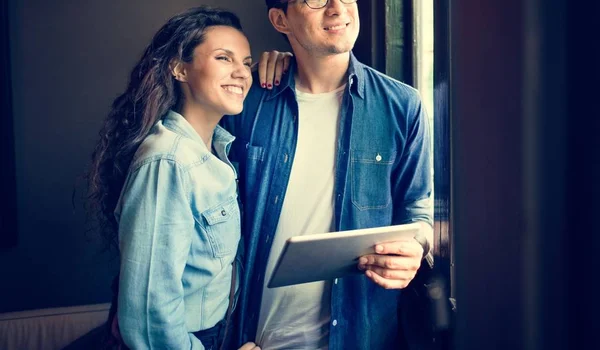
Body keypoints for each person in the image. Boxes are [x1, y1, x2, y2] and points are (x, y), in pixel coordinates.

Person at [221, 0, 434, 349]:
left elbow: (418, 209)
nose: (337, 8)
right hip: (254, 338)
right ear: (280, 19)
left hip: (362, 336)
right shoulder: (246, 101)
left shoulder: (402, 106)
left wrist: (417, 246)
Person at [87, 6, 260, 350]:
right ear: (180, 68)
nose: (241, 73)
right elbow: (149, 317)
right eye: (224, 58)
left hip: (219, 332)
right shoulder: (168, 161)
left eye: (247, 62)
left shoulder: (216, 151)